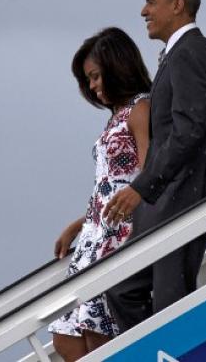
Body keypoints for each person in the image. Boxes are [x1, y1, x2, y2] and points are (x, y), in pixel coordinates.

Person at [103, 0, 206, 331]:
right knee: (122, 290)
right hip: (169, 198)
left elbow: (189, 131)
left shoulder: (190, 52)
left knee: (170, 302)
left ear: (177, 5)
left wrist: (143, 186)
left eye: (151, 1)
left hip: (182, 196)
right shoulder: (185, 53)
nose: (143, 11)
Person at [48, 27, 152, 362]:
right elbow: (111, 182)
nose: (92, 87)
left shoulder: (141, 109)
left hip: (118, 231)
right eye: (87, 81)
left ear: (116, 67)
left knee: (99, 331)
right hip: (96, 229)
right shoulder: (116, 116)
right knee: (65, 334)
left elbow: (148, 174)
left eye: (95, 77)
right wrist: (79, 224)